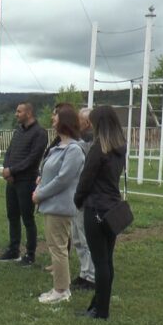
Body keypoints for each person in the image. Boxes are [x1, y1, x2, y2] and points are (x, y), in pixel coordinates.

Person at [74, 105, 127, 320]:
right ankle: (98, 304)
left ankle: (100, 310)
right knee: (107, 260)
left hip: (95, 208)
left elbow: (86, 179)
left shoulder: (98, 149)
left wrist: (78, 200)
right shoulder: (119, 148)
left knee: (100, 262)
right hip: (112, 208)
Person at [32, 105, 85, 304]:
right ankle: (61, 287)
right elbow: (50, 172)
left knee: (58, 249)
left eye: (55, 116)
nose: (52, 119)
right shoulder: (58, 147)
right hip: (51, 205)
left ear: (65, 120)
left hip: (60, 207)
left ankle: (61, 290)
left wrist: (40, 194)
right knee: (55, 247)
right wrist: (41, 181)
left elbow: (63, 179)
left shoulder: (74, 150)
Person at [0, 102, 49, 264]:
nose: (16, 114)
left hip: (26, 181)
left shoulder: (40, 133)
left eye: (19, 111)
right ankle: (13, 250)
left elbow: (33, 159)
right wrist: (7, 170)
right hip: (12, 181)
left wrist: (12, 170)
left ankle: (30, 254)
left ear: (29, 113)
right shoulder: (18, 131)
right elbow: (9, 152)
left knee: (27, 218)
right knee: (12, 215)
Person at [70, 108, 96, 290]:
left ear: (87, 123)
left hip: (85, 197)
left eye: (78, 120)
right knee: (77, 238)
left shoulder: (91, 142)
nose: (76, 123)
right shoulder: (81, 140)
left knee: (85, 237)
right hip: (76, 194)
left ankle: (91, 276)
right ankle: (84, 272)